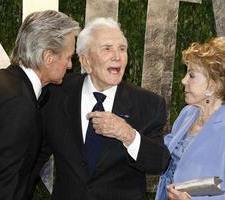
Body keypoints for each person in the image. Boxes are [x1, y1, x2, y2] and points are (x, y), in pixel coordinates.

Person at [40, 17, 170, 200]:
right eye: (107, 48)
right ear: (86, 61)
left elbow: (160, 162)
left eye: (122, 49)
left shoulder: (149, 103)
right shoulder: (56, 93)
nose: (117, 56)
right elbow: (36, 153)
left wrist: (128, 135)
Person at [0, 10, 80, 200]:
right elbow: (0, 186)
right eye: (68, 57)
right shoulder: (17, 102)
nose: (70, 65)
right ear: (49, 57)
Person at [155, 36, 225, 200]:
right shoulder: (188, 113)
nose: (183, 80)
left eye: (192, 75)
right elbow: (165, 153)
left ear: (213, 85)